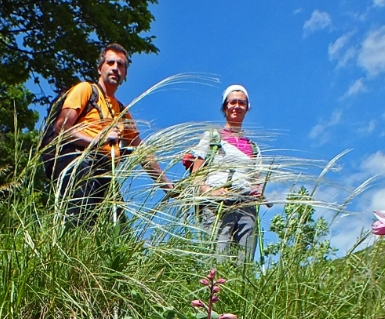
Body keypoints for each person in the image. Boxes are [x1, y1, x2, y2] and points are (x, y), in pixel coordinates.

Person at [48, 43, 172, 225]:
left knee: (119, 234)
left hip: (105, 173)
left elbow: (142, 151)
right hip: (78, 164)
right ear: (100, 68)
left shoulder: (122, 112)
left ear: (125, 73)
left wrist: (166, 185)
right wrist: (97, 140)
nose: (115, 68)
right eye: (111, 62)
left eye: (121, 65)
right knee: (80, 223)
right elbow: (62, 128)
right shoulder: (86, 90)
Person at [188, 85, 264, 260]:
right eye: (233, 102)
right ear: (225, 107)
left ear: (247, 108)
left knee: (244, 262)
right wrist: (211, 192)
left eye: (241, 103)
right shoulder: (212, 137)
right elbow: (196, 175)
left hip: (246, 206)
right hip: (217, 205)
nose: (237, 106)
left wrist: (257, 192)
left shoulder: (253, 147)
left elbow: (255, 180)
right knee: (217, 258)